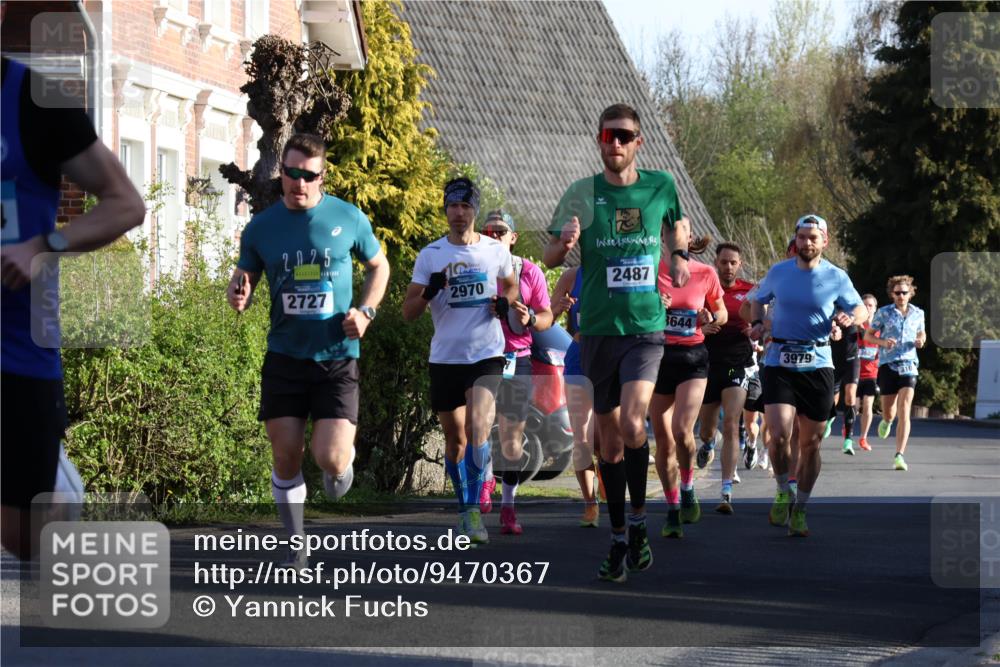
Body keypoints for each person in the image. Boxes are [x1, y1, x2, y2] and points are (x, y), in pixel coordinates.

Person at [1, 56, 146, 559]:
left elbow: (126, 203)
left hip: (17, 344)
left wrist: (43, 247)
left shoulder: (36, 99)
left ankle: (56, 484)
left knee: (25, 541)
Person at [228, 133, 390, 568]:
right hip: (284, 355)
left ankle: (342, 465)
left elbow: (380, 265)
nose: (298, 183)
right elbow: (245, 273)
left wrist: (367, 312)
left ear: (322, 176)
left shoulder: (348, 218)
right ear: (281, 171)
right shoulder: (261, 227)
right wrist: (239, 292)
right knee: (285, 454)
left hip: (336, 354)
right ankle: (296, 542)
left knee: (329, 458)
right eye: (290, 173)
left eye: (308, 176)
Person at [545, 103, 688, 582]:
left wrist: (681, 256)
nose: (617, 143)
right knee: (606, 447)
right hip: (597, 333)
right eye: (609, 135)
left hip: (645, 329)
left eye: (625, 136)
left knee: (632, 422)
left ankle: (643, 521)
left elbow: (677, 222)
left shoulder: (660, 185)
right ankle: (620, 535)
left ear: (638, 142)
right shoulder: (580, 193)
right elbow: (548, 253)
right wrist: (563, 245)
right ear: (599, 140)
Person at [403, 177, 518, 544]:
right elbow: (408, 312)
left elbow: (511, 286)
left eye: (465, 206)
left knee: (479, 426)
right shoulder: (430, 255)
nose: (458, 212)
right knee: (455, 442)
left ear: (474, 210)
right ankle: (464, 503)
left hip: (486, 353)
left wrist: (506, 304)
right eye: (452, 205)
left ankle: (472, 512)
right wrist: (431, 291)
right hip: (446, 357)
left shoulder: (493, 251)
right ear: (445, 209)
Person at [749, 215, 865, 538]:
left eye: (813, 238)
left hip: (817, 362)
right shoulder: (778, 272)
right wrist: (758, 322)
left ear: (824, 241)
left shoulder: (836, 277)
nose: (807, 243)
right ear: (796, 239)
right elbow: (757, 301)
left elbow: (861, 310)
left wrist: (848, 316)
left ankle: (800, 507)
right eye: (802, 237)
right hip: (780, 361)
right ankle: (783, 488)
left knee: (811, 443)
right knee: (779, 432)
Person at [479, 209, 553, 535]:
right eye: (489, 231)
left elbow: (548, 316)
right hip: (480, 358)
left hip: (516, 358)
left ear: (513, 237)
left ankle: (508, 505)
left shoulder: (529, 272)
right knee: (478, 428)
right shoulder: (472, 268)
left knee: (511, 442)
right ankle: (484, 480)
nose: (495, 236)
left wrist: (532, 320)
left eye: (501, 231)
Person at [650, 224, 726, 535]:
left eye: (681, 232)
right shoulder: (651, 269)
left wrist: (711, 317)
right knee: (663, 441)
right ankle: (671, 509)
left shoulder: (705, 272)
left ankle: (688, 486)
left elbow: (721, 312)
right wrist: (654, 306)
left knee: (682, 430)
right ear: (662, 239)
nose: (674, 238)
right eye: (669, 233)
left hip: (693, 357)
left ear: (690, 239)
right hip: (656, 357)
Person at [695, 242, 754, 514]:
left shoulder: (749, 291)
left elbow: (762, 316)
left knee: (731, 422)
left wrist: (757, 326)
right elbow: (687, 317)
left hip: (737, 362)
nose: (728, 267)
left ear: (739, 265)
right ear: (715, 263)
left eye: (733, 262)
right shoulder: (704, 287)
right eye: (723, 262)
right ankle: (708, 442)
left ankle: (726, 490)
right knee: (707, 428)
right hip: (707, 361)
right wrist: (701, 326)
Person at [551, 265, 603, 527]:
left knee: (603, 438)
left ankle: (608, 474)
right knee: (581, 436)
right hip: (579, 356)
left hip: (609, 358)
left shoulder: (620, 270)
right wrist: (559, 308)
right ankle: (590, 503)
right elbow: (546, 317)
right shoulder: (572, 276)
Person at [865, 275, 925, 471]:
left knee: (905, 410)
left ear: (910, 293)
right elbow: (868, 335)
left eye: (904, 293)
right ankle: (886, 420)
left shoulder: (918, 313)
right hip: (888, 365)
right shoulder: (883, 313)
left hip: (909, 365)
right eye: (897, 293)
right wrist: (883, 343)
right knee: (890, 412)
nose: (901, 296)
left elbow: (921, 333)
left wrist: (921, 340)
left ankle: (899, 455)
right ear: (892, 294)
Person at [829, 314, 861, 455]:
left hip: (852, 359)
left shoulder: (852, 304)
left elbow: (862, 315)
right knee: (831, 401)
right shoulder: (829, 302)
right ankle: (829, 420)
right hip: (833, 359)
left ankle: (848, 439)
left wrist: (855, 320)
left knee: (850, 397)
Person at [856, 294, 880, 451]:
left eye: (870, 305)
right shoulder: (857, 326)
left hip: (872, 374)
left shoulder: (881, 329)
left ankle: (863, 438)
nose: (867, 308)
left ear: (875, 308)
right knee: (854, 406)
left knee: (868, 406)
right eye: (864, 305)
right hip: (855, 374)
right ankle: (848, 434)